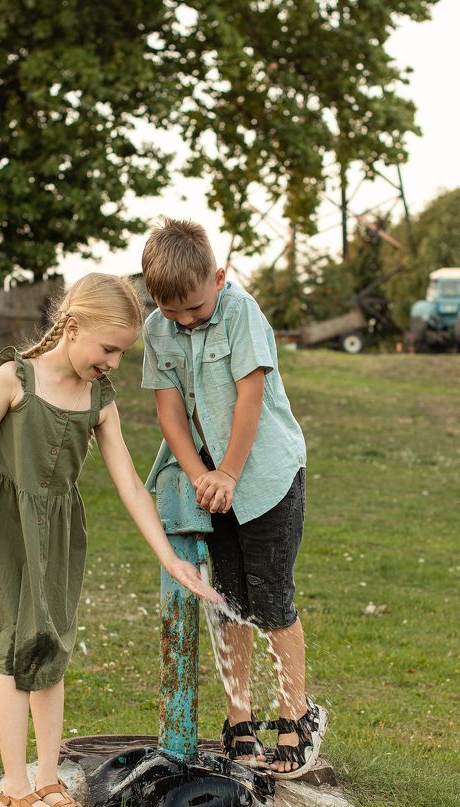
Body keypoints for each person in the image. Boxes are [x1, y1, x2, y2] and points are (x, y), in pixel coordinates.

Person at [0, 273, 218, 807]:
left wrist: (170, 557)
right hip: (5, 526)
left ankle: (47, 776)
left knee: (52, 644)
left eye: (122, 352)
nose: (115, 362)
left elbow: (132, 487)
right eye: (109, 348)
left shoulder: (99, 399)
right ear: (72, 327)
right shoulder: (13, 379)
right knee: (17, 651)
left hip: (60, 533)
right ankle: (13, 786)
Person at [141, 219, 327, 778]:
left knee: (271, 601)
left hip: (265, 477)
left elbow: (251, 396)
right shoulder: (159, 328)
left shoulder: (241, 311)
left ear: (218, 277)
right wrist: (201, 475)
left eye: (195, 309)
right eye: (173, 313)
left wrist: (228, 471)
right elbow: (169, 410)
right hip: (213, 485)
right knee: (227, 603)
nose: (186, 321)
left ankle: (297, 716)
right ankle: (239, 721)